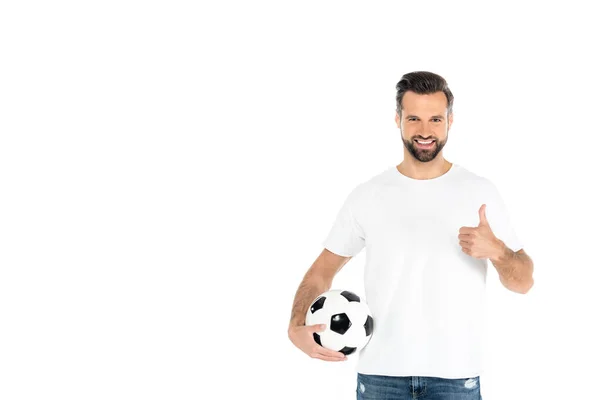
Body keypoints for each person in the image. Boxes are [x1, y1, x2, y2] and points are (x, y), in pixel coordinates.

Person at [287, 71, 535, 399]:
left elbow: (524, 282)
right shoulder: (368, 195)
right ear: (397, 119)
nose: (424, 131)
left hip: (456, 379)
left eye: (435, 119)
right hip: (380, 379)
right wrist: (295, 325)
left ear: (450, 121)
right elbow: (321, 272)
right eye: (414, 118)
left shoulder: (480, 192)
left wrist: (498, 251)